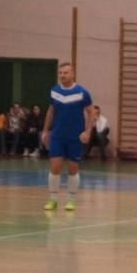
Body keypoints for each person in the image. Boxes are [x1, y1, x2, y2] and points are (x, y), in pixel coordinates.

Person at [41, 62, 95, 211]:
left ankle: (71, 199)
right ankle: (53, 199)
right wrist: (45, 131)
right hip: (57, 136)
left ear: (72, 74)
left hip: (75, 137)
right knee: (55, 167)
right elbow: (51, 111)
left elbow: (91, 112)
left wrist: (87, 132)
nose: (62, 75)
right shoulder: (55, 90)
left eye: (65, 73)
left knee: (73, 169)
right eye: (60, 73)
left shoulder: (82, 92)